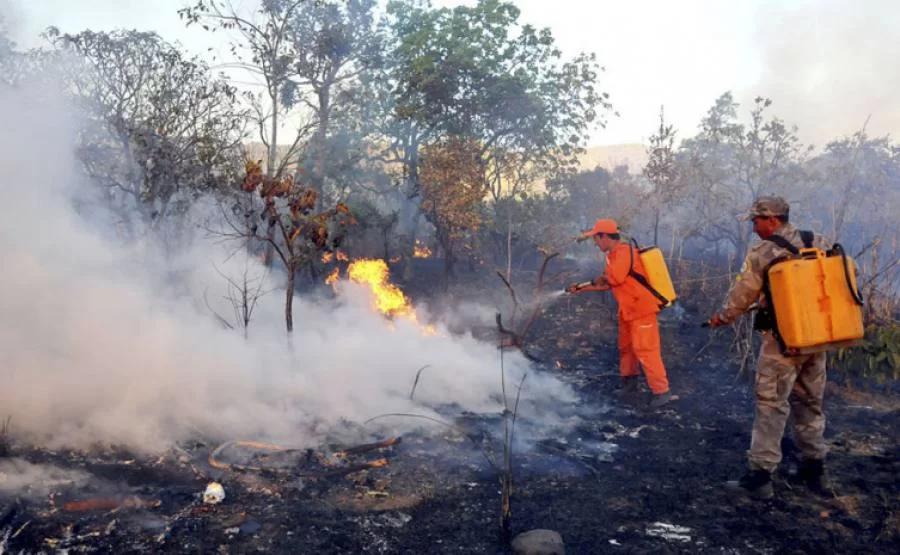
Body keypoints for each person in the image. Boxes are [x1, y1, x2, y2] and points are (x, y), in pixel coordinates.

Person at [707, 196, 834, 500]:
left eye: (756, 220)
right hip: (817, 339)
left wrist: (723, 316)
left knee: (771, 405)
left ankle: (760, 477)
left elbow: (743, 293)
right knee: (810, 403)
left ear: (773, 219)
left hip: (783, 343)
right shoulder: (818, 241)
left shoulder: (763, 252)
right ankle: (815, 470)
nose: (753, 226)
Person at [566, 219, 673, 409]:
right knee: (627, 348)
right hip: (628, 309)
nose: (595, 243)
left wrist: (599, 279)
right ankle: (629, 385)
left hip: (642, 309)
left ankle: (661, 392)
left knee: (646, 350)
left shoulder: (624, 253)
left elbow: (614, 278)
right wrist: (582, 288)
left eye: (596, 239)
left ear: (605, 237)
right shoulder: (612, 256)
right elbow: (607, 284)